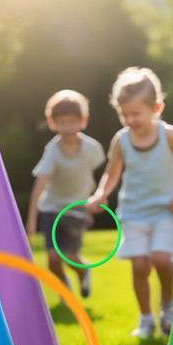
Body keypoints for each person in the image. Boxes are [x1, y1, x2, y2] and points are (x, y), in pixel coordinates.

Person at [87, 67, 173, 338]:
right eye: (124, 114)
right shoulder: (122, 140)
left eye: (135, 113)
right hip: (133, 212)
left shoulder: (170, 136)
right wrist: (102, 193)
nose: (129, 119)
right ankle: (146, 319)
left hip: (166, 211)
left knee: (161, 259)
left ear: (157, 108)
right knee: (140, 265)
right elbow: (112, 171)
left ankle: (167, 304)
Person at [26, 89, 105, 297]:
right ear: (52, 123)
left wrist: (96, 199)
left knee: (69, 254)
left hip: (77, 208)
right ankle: (65, 290)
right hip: (51, 208)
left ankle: (83, 272)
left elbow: (104, 174)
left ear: (83, 121)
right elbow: (40, 183)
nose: (68, 127)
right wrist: (32, 219)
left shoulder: (91, 148)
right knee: (53, 259)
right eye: (62, 122)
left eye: (72, 121)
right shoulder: (52, 151)